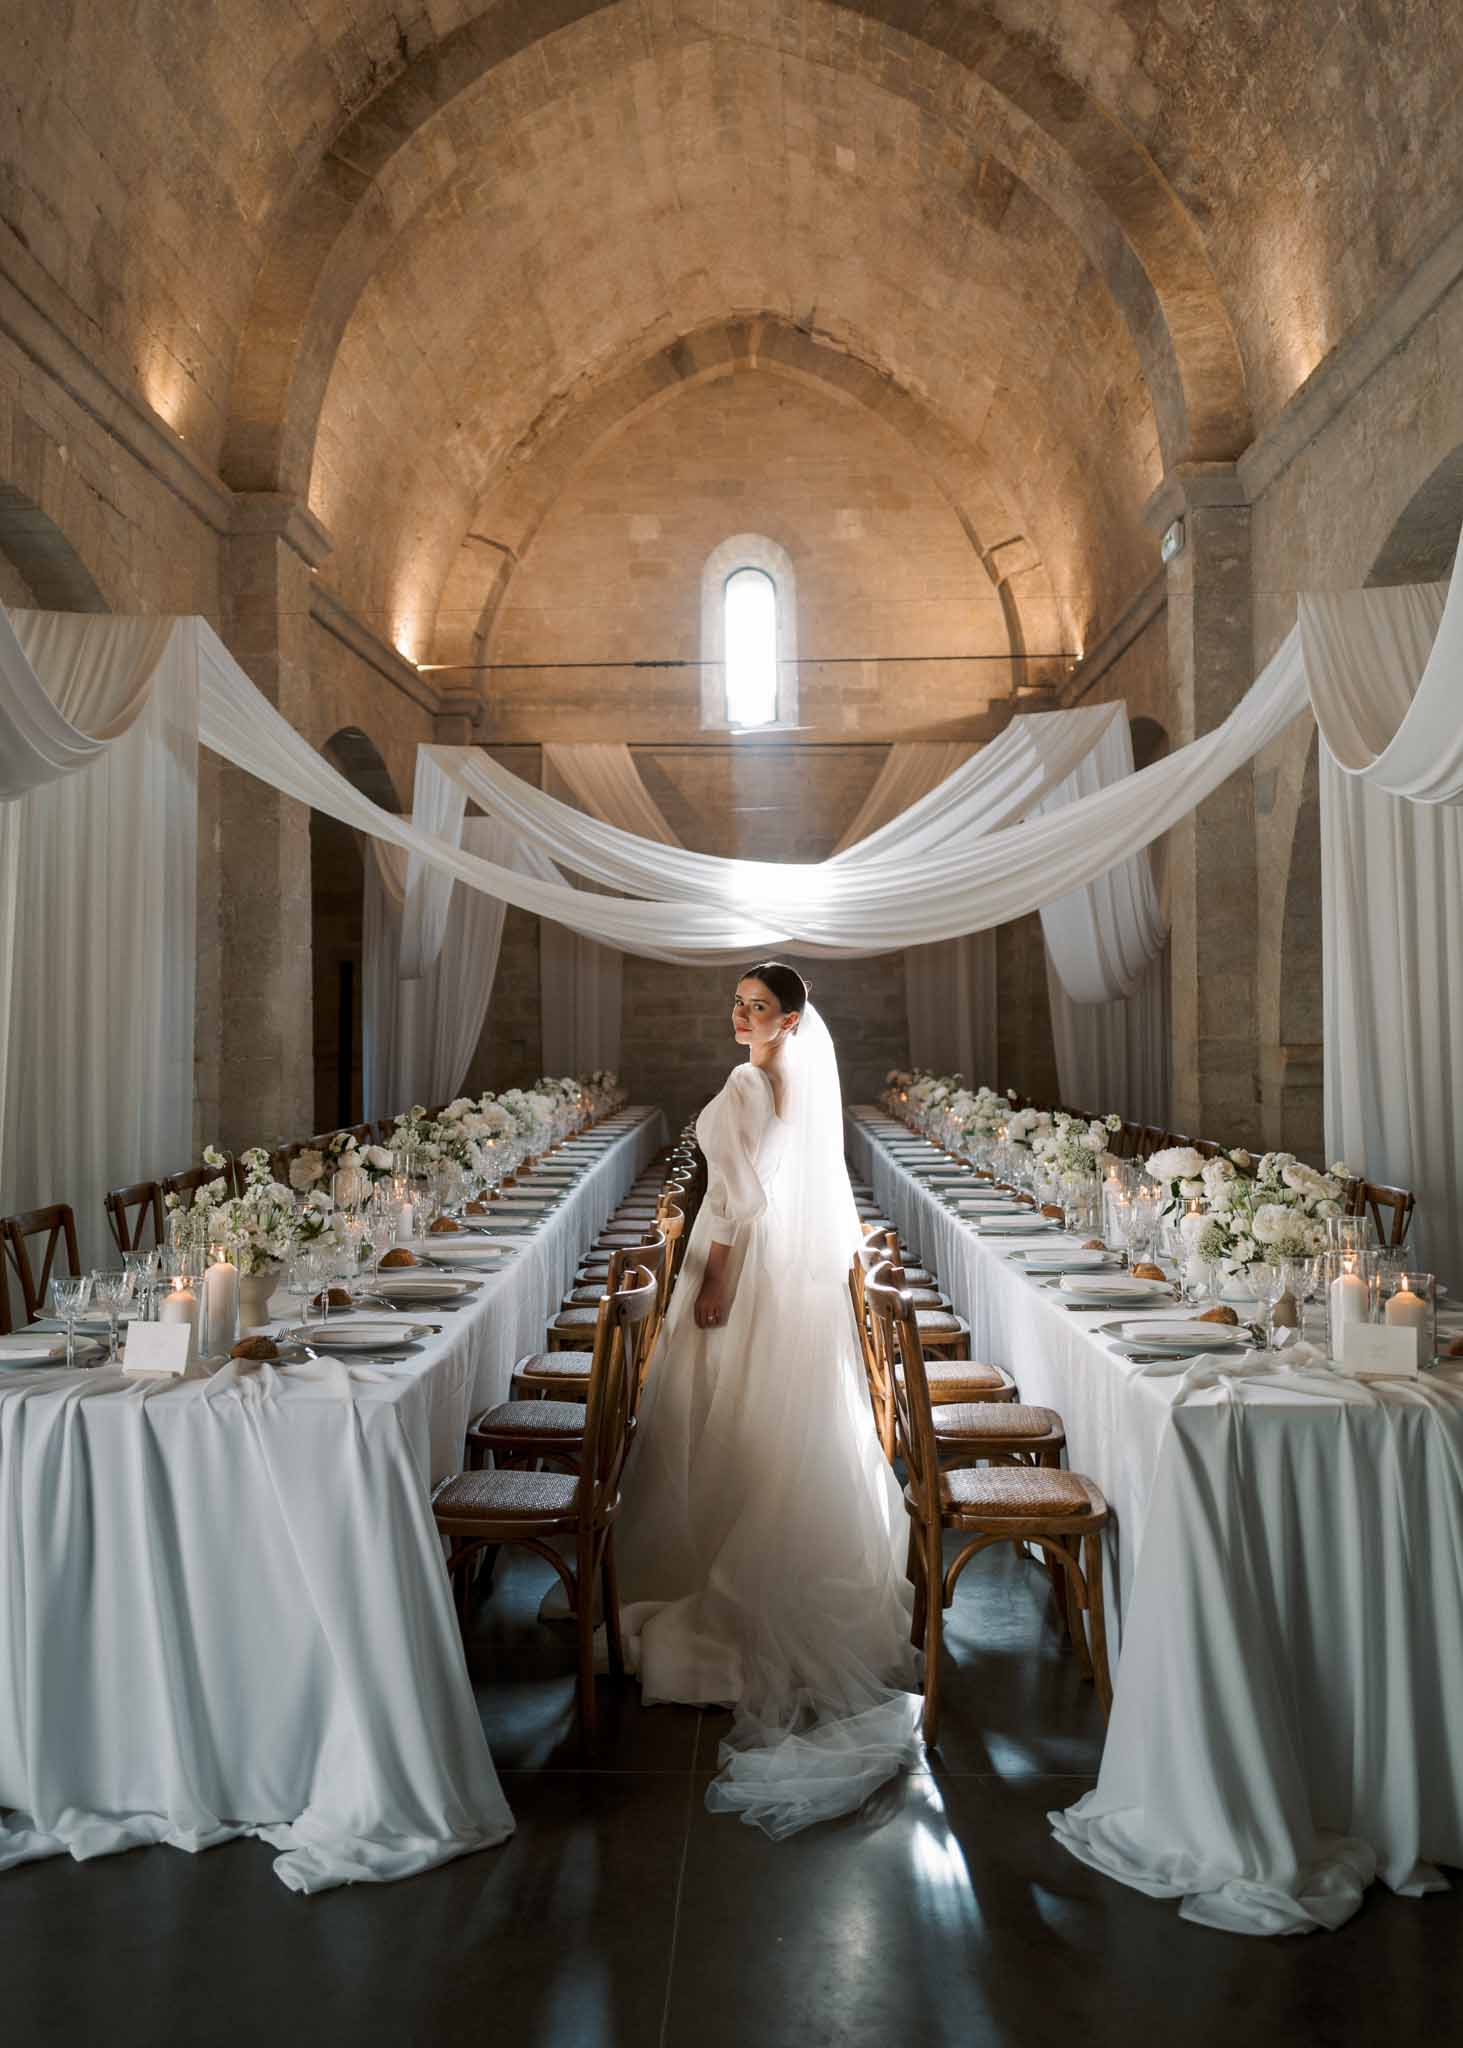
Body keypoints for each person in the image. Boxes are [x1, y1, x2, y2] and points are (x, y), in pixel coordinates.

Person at [615, 962, 922, 1836]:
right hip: (776, 1279)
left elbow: (740, 1205)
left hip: (741, 1275)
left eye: (757, 1008)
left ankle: (708, 1572)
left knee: (722, 1421)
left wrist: (714, 1285)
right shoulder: (785, 1077)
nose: (741, 1017)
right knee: (755, 1423)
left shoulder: (754, 1078)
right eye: (737, 1004)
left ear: (790, 1021)